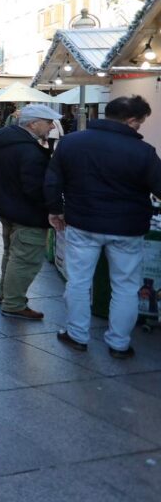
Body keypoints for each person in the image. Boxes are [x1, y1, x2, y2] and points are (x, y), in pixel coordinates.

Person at [45, 95, 161, 359]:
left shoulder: (71, 143)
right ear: (131, 120)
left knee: (78, 281)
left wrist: (55, 210)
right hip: (128, 228)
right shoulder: (144, 152)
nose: (139, 128)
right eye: (140, 123)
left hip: (83, 223)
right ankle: (119, 343)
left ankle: (76, 335)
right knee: (126, 285)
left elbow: (52, 181)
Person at [0, 104, 62, 321]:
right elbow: (35, 188)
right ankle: (14, 303)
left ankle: (6, 296)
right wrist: (52, 207)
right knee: (25, 260)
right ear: (33, 123)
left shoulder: (4, 143)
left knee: (11, 254)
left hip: (7, 208)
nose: (51, 127)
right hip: (27, 213)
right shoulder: (30, 151)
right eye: (48, 122)